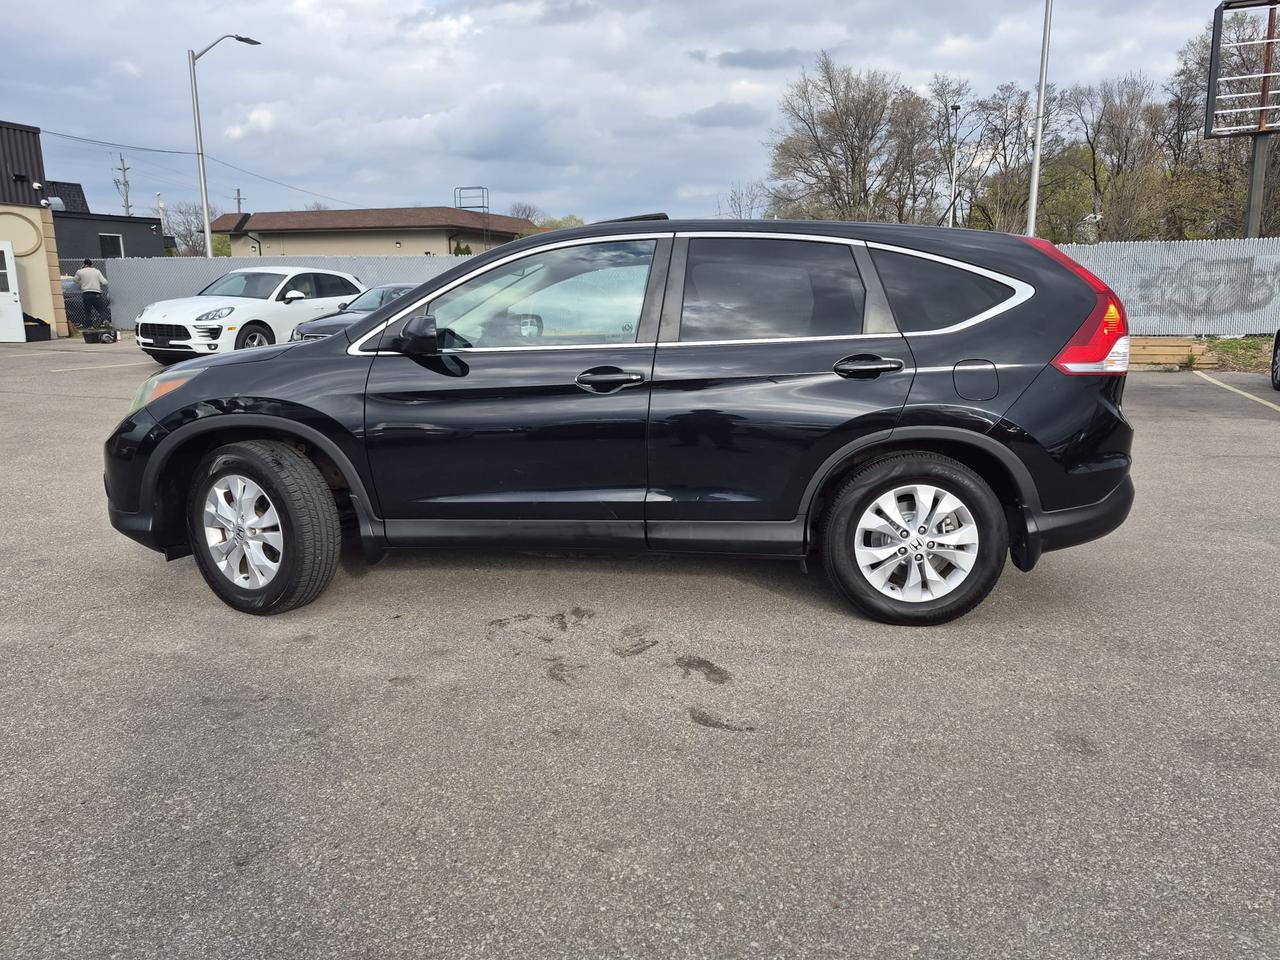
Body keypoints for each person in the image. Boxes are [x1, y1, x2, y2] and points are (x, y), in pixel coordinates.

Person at [73, 258, 110, 328]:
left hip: (86, 293)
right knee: (100, 309)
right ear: (91, 264)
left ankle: (90, 326)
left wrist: (81, 282)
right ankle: (105, 320)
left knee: (88, 311)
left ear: (84, 264)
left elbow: (74, 280)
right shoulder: (97, 271)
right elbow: (105, 282)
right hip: (96, 293)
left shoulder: (80, 271)